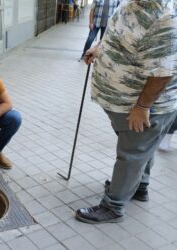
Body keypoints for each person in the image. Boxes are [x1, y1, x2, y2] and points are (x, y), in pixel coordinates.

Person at [76, 0, 177, 224]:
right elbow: (116, 34)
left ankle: (113, 207)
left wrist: (142, 107)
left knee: (131, 155)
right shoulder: (131, 3)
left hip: (143, 106)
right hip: (123, 103)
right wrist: (98, 48)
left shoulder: (164, 16)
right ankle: (139, 186)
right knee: (139, 150)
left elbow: (163, 72)